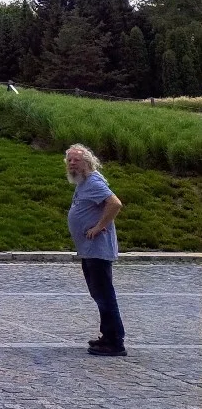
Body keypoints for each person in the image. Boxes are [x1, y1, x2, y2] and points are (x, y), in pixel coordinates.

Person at [66, 143, 126, 356]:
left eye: (77, 160)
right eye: (70, 160)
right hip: (89, 249)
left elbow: (115, 203)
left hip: (98, 249)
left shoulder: (92, 182)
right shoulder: (83, 183)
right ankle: (107, 336)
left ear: (87, 162)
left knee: (104, 294)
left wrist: (99, 226)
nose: (72, 163)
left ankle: (115, 341)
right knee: (98, 293)